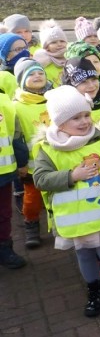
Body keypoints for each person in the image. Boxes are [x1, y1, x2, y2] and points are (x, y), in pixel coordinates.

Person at [32, 86, 100, 318]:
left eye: (86, 115)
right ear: (59, 123)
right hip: (76, 219)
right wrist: (71, 176)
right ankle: (94, 292)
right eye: (75, 118)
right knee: (85, 255)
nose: (84, 122)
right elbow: (40, 179)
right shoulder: (48, 149)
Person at [12, 59, 52, 248]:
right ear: (21, 80)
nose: (37, 76)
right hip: (32, 164)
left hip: (57, 158)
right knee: (32, 197)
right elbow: (16, 138)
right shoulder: (17, 106)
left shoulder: (54, 98)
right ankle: (31, 223)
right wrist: (21, 163)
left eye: (40, 72)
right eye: (31, 74)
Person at [0, 71, 30, 269]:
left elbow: (16, 134)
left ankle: (5, 248)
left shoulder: (3, 101)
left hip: (2, 172)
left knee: (3, 213)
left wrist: (21, 163)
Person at [33, 20, 69, 88]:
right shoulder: (42, 62)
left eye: (62, 41)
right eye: (53, 42)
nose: (59, 44)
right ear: (46, 46)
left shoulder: (70, 58)